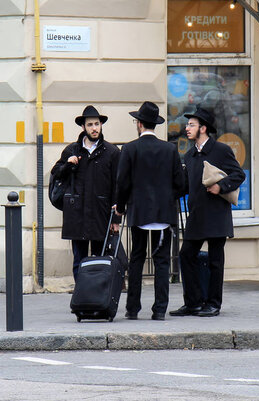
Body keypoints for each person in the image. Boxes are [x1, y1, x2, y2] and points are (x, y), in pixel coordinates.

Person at [169, 107, 245, 318]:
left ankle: (213, 303)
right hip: (197, 215)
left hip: (216, 214)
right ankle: (193, 302)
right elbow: (185, 185)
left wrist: (221, 187)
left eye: (192, 125)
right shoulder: (190, 154)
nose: (187, 128)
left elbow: (238, 175)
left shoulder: (220, 150)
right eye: (188, 125)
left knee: (215, 260)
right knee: (186, 255)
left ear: (203, 128)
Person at [115, 101, 186, 321]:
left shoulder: (129, 148)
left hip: (139, 212)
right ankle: (160, 310)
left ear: (139, 124)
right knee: (162, 262)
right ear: (154, 124)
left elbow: (122, 182)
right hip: (164, 213)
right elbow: (181, 184)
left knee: (137, 259)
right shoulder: (170, 149)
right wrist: (168, 197)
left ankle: (133, 308)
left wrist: (120, 206)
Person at [51, 105, 120, 280]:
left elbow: (117, 186)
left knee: (99, 260)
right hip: (77, 214)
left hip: (100, 213)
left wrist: (115, 219)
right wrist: (68, 164)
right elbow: (56, 173)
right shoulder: (72, 150)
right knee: (79, 260)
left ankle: (98, 298)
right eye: (90, 125)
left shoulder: (111, 152)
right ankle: (81, 298)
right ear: (83, 127)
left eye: (97, 124)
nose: (94, 128)